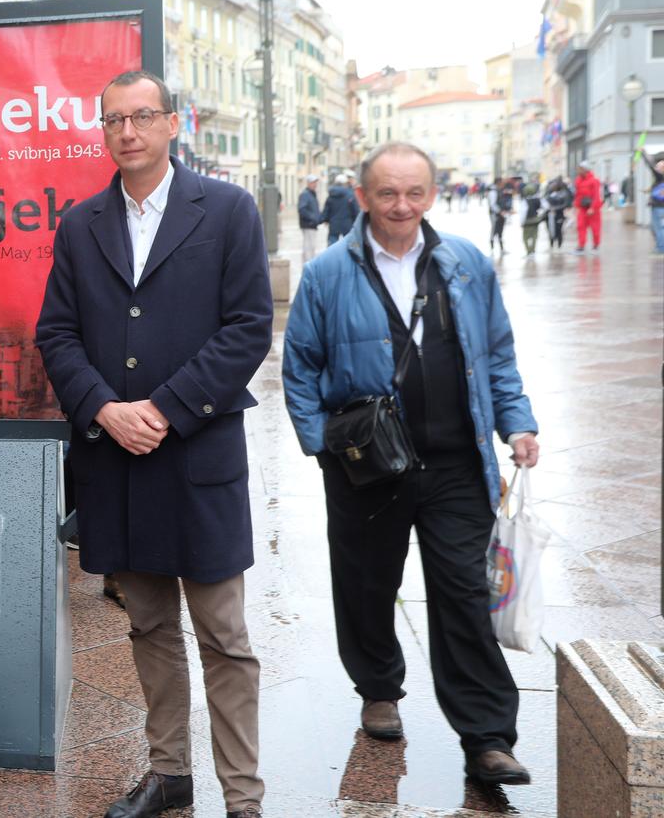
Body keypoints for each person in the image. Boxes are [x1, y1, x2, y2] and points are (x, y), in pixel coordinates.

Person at [36, 72, 273, 818]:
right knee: (146, 624)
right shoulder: (81, 224)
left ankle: (243, 795)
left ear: (174, 122)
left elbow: (247, 328)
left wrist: (165, 409)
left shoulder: (228, 210)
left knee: (223, 634)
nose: (127, 130)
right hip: (118, 460)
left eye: (142, 116)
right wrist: (105, 408)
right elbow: (57, 332)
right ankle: (170, 772)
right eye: (114, 120)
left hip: (195, 453)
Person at [282, 141, 540, 789]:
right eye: (388, 193)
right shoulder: (327, 273)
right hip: (367, 464)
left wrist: (518, 420)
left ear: (431, 194)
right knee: (367, 585)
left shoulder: (467, 263)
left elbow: (498, 352)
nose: (402, 205)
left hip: (456, 462)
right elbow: (301, 367)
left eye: (415, 192)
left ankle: (486, 736)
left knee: (463, 592)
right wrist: (324, 449)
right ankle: (378, 688)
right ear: (363, 196)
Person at [322, 174, 358, 245]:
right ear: (345, 183)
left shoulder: (331, 195)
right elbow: (355, 210)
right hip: (347, 224)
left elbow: (326, 210)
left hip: (334, 224)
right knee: (349, 245)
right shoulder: (350, 195)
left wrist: (325, 220)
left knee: (332, 246)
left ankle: (333, 256)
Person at [574, 164, 603, 251]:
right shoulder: (578, 180)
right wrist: (576, 206)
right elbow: (577, 194)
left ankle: (596, 244)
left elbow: (596, 195)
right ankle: (581, 245)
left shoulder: (594, 181)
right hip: (582, 208)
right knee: (580, 226)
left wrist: (592, 208)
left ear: (585, 170)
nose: (578, 171)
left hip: (593, 208)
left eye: (580, 169)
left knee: (595, 228)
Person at [298, 175, 323, 262]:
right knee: (308, 247)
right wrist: (313, 218)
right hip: (308, 224)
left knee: (311, 247)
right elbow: (302, 209)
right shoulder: (305, 195)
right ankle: (308, 265)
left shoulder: (312, 194)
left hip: (312, 224)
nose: (315, 184)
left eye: (315, 182)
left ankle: (309, 264)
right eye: (313, 182)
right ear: (308, 183)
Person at [543, 176, 572, 249]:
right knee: (550, 229)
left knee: (559, 229)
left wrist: (555, 208)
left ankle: (559, 245)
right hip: (549, 214)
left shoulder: (564, 192)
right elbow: (544, 201)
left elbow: (566, 203)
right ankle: (552, 244)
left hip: (559, 213)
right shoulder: (549, 192)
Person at [488, 179, 512, 255]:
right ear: (498, 183)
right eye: (502, 183)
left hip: (501, 214)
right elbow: (492, 205)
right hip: (495, 215)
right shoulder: (493, 191)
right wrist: (500, 212)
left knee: (500, 231)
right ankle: (492, 249)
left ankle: (502, 249)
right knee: (494, 230)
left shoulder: (499, 190)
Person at [519, 181, 543, 255]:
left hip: (527, 221)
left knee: (525, 237)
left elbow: (523, 212)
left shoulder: (524, 201)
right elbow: (545, 207)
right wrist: (540, 217)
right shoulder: (537, 200)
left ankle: (528, 251)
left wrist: (521, 222)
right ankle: (533, 250)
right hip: (535, 220)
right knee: (534, 236)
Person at [647, 152, 664, 254]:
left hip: (658, 206)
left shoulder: (660, 177)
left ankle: (660, 248)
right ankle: (660, 246)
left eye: (658, 166)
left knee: (657, 227)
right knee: (657, 227)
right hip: (659, 206)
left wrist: (643, 153)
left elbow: (650, 165)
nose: (656, 168)